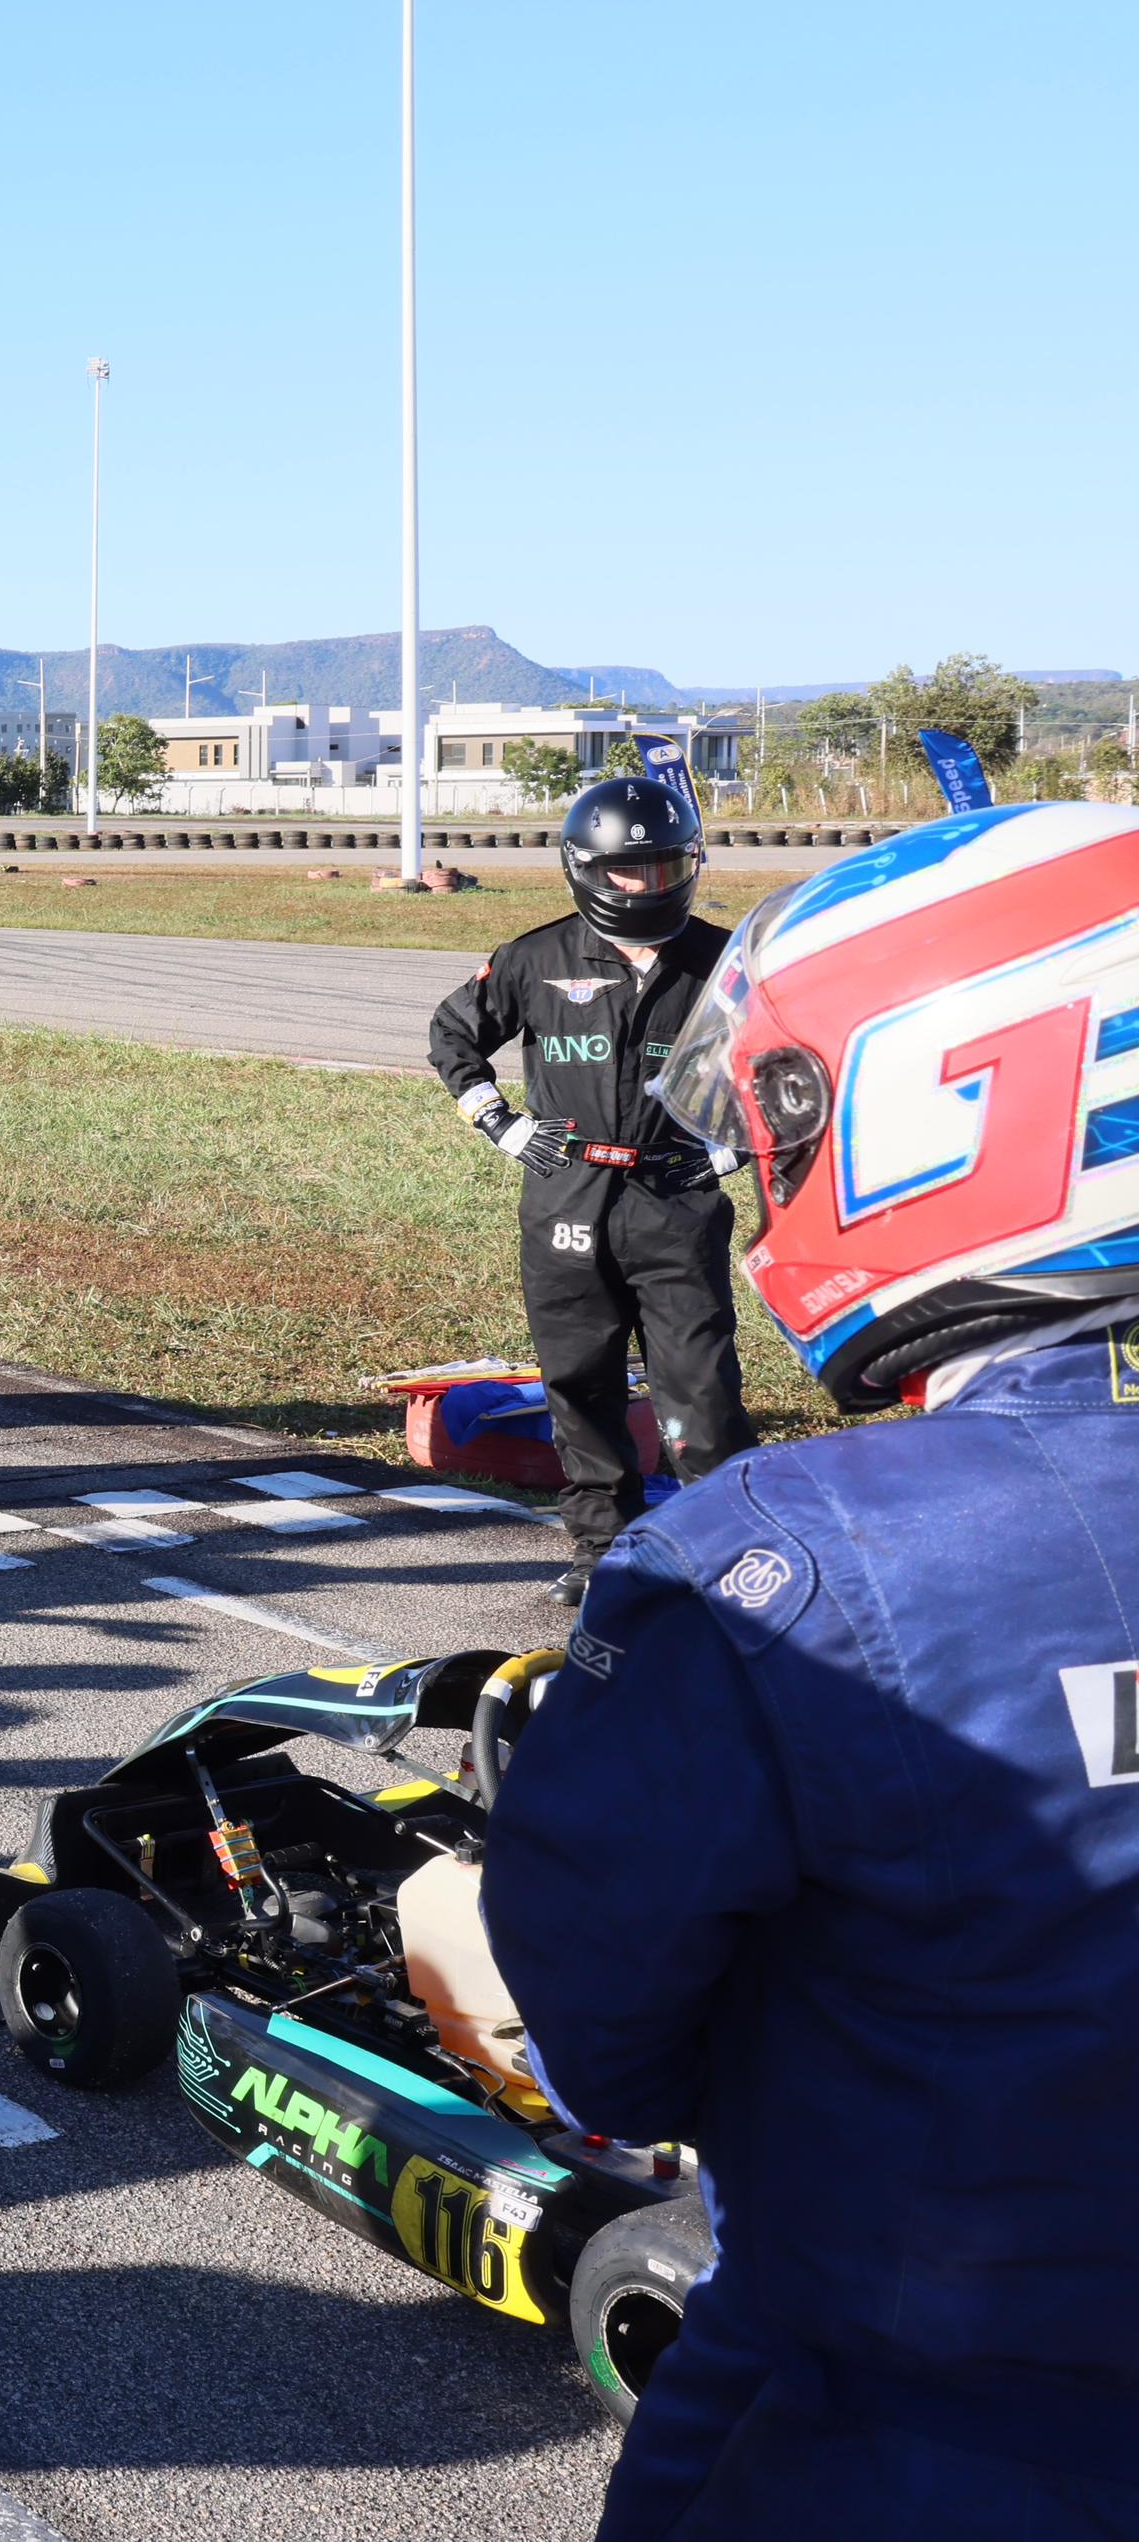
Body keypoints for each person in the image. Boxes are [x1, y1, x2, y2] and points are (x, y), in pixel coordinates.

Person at [485, 800, 1139, 2541]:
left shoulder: (782, 1565)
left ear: (978, 1096)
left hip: (931, 2409)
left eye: (787, 1111)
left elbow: (606, 2054)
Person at [427, 773, 753, 1600]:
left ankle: (725, 1548)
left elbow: (790, 1066)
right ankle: (600, 1548)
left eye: (666, 867)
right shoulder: (535, 958)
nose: (648, 885)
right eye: (627, 870)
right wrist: (498, 1123)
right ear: (584, 868)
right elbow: (454, 1033)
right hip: (566, 1194)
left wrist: (729, 1153)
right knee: (578, 1376)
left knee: (701, 1381)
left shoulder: (727, 962)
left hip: (676, 1197)